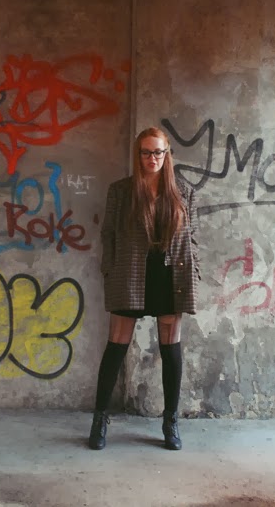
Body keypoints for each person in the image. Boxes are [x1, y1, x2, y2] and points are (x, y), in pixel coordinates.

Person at [89, 126, 200, 451]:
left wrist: (195, 270)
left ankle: (170, 421)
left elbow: (192, 237)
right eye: (146, 152)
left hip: (170, 275)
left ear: (167, 155)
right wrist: (109, 270)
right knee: (116, 345)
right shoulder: (121, 191)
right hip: (130, 273)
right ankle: (99, 418)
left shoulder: (183, 191)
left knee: (171, 348)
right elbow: (108, 234)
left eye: (158, 152)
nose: (153, 158)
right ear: (138, 155)